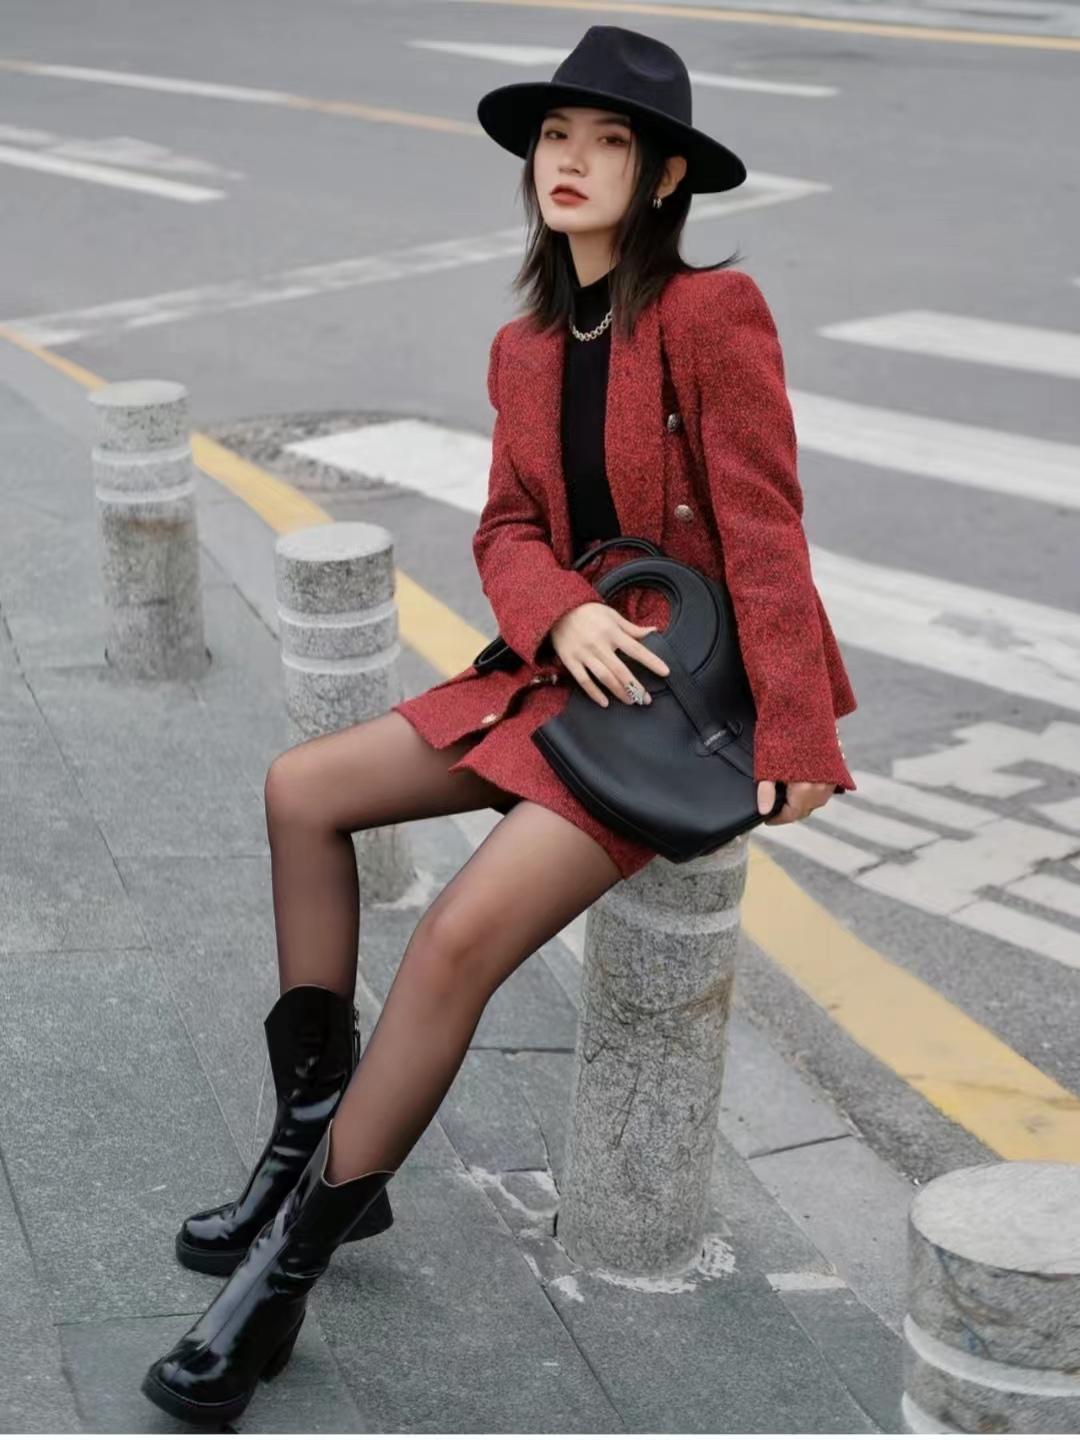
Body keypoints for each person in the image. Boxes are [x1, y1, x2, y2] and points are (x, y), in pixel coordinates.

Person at [140, 24, 858, 1425]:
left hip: (666, 709)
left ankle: (279, 1279)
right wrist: (560, 613)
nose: (569, 162)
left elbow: (767, 527)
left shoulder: (712, 313)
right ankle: (312, 1151)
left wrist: (796, 739)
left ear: (663, 177)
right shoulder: (525, 346)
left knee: (458, 937)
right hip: (560, 669)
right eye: (554, 137)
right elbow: (507, 527)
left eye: (608, 142)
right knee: (302, 789)